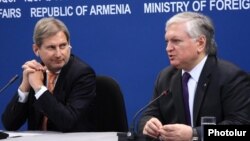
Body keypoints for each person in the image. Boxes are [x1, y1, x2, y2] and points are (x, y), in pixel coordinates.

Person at [139, 11, 250, 141]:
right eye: (167, 41)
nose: (168, 48)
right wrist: (149, 124)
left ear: (200, 43)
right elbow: (148, 115)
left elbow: (240, 129)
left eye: (176, 41)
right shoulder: (165, 77)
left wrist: (195, 134)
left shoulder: (231, 77)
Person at [2, 17, 96, 132]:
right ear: (36, 49)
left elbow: (67, 123)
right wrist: (25, 87)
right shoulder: (35, 73)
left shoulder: (82, 74)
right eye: (51, 47)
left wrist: (39, 88)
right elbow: (10, 125)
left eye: (63, 46)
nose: (58, 54)